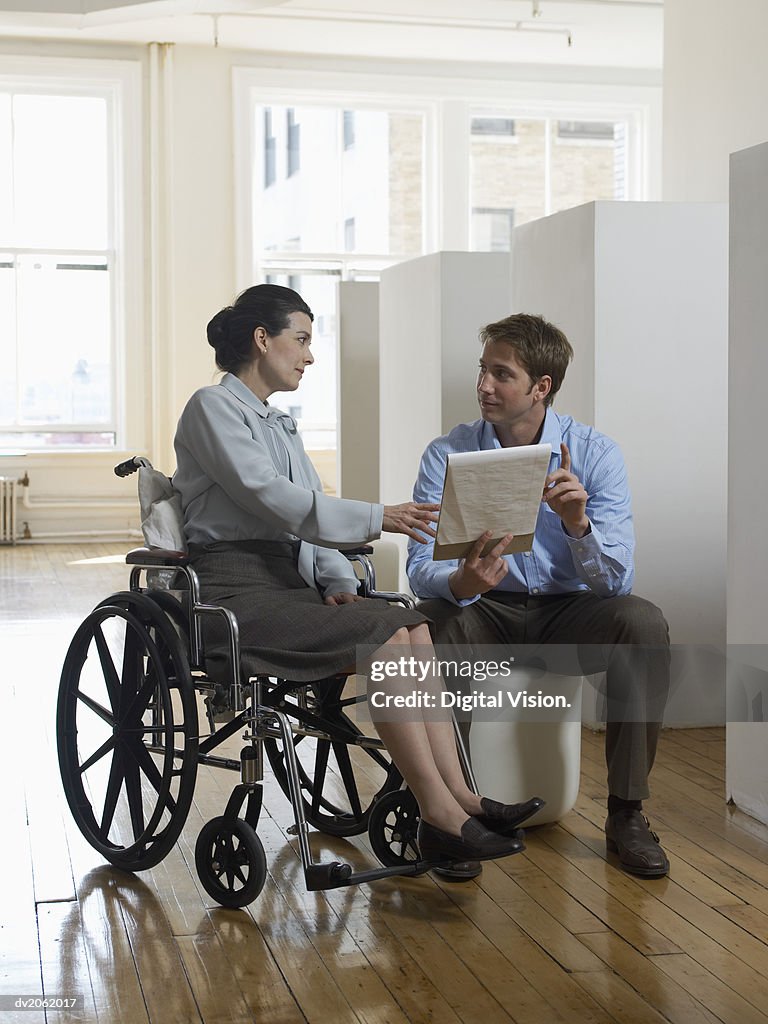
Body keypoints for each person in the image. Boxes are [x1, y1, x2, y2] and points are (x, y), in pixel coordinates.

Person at [172, 283, 539, 869]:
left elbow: (307, 512)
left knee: (411, 624)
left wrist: (339, 579)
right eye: (302, 340)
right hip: (233, 591)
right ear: (262, 340)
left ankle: (461, 798)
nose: (310, 356)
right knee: (390, 636)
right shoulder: (211, 408)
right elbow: (274, 500)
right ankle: (438, 812)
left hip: (287, 584)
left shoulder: (279, 425)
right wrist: (380, 516)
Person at [408, 312, 671, 881]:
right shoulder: (446, 454)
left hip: (566, 611)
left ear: (541, 387)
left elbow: (615, 583)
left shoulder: (596, 454)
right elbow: (419, 568)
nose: (483, 386)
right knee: (428, 627)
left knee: (643, 623)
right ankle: (454, 814)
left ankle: (627, 814)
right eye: (483, 371)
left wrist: (578, 527)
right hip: (485, 608)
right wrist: (462, 583)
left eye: (501, 375)